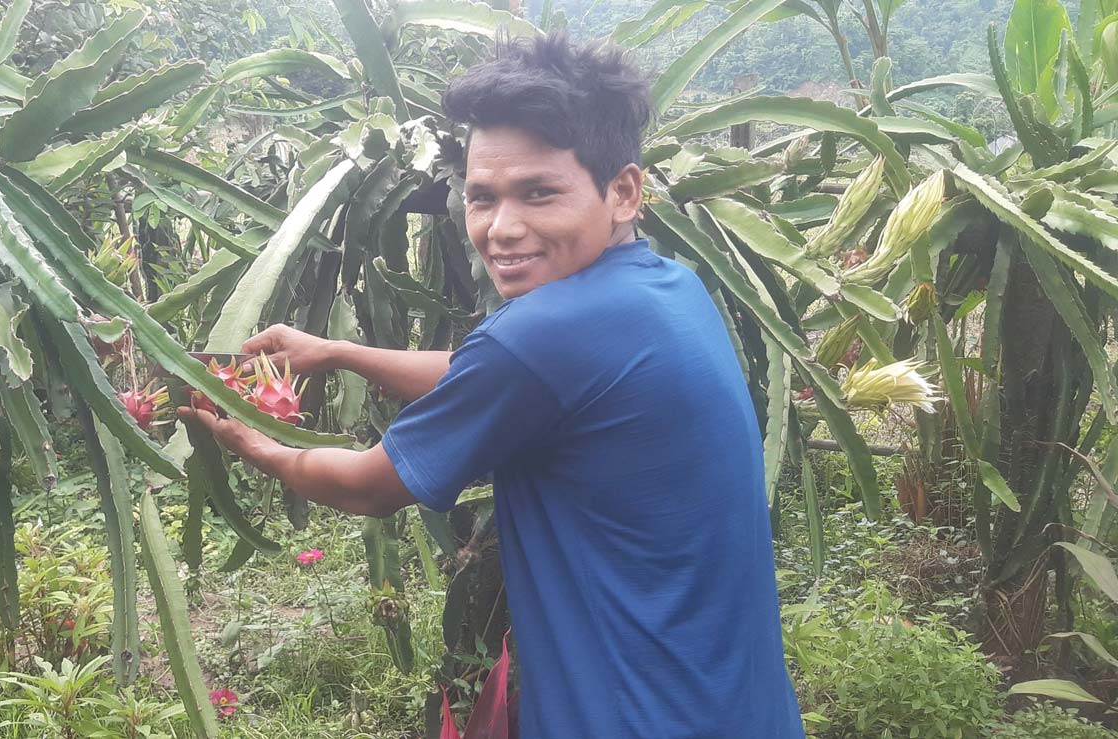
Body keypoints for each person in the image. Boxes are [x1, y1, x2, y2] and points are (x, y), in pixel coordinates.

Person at [177, 30, 804, 738]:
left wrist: (254, 438)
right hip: (735, 706)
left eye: (538, 194)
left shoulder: (544, 334)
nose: (502, 229)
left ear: (623, 191)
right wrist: (340, 352)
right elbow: (499, 378)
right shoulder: (665, 287)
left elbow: (369, 485)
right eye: (481, 197)